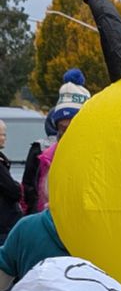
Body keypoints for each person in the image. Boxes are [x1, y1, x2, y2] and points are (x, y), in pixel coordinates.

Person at [30, 69, 90, 212]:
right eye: (62, 127)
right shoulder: (46, 156)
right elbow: (32, 193)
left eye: (71, 126)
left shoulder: (97, 154)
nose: (66, 132)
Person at [0, 121, 23, 243]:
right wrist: (18, 187)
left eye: (4, 135)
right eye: (1, 135)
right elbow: (13, 191)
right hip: (4, 225)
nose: (4, 138)